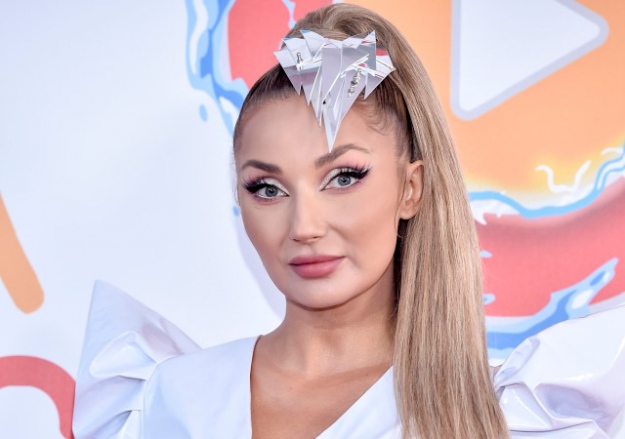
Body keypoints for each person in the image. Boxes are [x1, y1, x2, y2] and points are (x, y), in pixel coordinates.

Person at [73, 4, 625, 439]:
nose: (304, 225)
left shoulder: (505, 415)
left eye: (342, 177)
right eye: (268, 188)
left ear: (411, 189)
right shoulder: (168, 398)